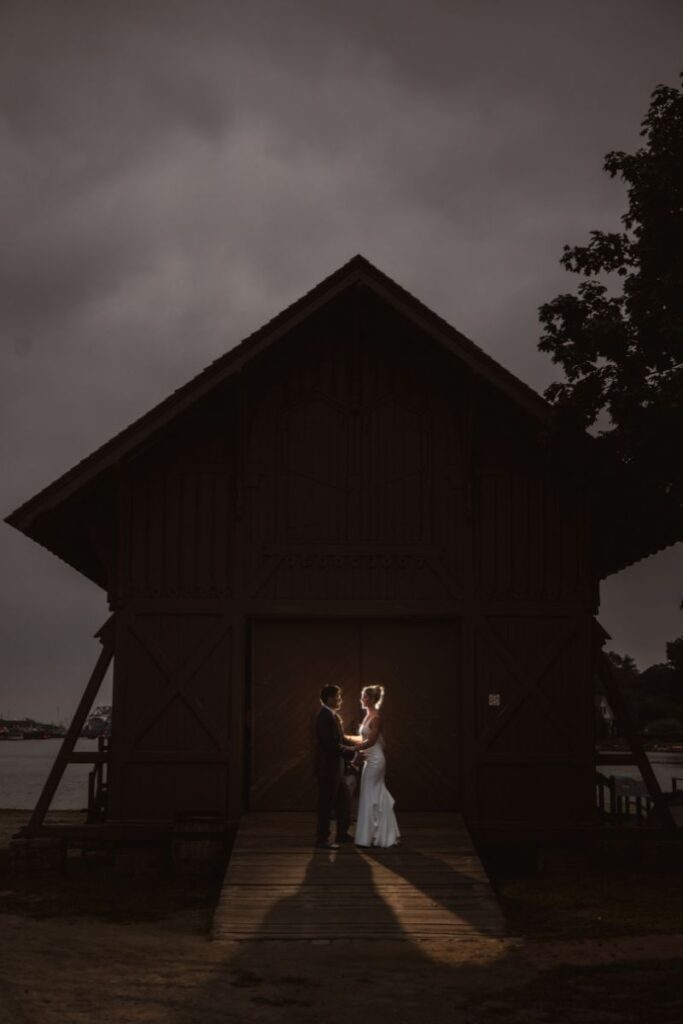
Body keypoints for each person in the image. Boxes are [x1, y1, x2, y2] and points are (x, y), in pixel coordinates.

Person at [349, 685, 400, 848]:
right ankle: (378, 833)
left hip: (376, 760)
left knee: (371, 795)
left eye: (364, 696)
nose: (361, 699)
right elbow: (362, 737)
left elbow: (371, 741)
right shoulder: (368, 715)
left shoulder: (376, 717)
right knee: (373, 794)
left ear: (371, 699)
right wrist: (344, 737)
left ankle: (374, 835)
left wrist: (352, 749)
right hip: (369, 760)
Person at [314, 684, 355, 849]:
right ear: (330, 698)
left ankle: (342, 834)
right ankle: (322, 839)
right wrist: (353, 754)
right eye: (338, 697)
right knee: (326, 805)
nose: (340, 700)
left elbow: (340, 740)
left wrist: (356, 746)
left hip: (335, 769)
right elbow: (331, 745)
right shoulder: (324, 717)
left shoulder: (332, 716)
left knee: (343, 802)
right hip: (327, 770)